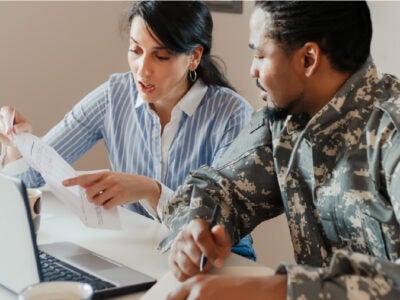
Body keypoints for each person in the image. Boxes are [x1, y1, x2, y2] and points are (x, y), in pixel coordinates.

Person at [161, 1, 400, 299]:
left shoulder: (392, 135)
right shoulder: (284, 122)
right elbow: (218, 188)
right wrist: (195, 227)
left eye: (260, 55)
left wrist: (276, 288)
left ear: (308, 59)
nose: (252, 70)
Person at [0, 1, 256, 260]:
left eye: (161, 56)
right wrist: (18, 143)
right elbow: (27, 183)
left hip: (218, 261)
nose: (142, 69)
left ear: (194, 57)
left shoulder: (232, 114)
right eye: (135, 50)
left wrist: (151, 190)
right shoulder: (114, 95)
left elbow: (219, 224)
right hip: (144, 254)